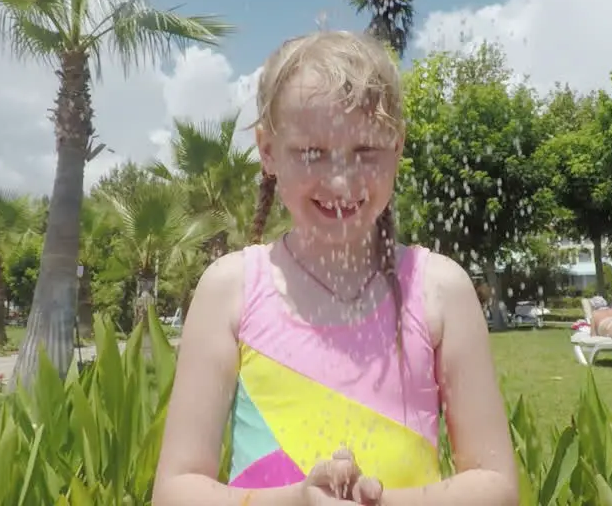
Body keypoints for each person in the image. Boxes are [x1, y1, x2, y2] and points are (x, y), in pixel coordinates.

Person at [153, 31, 518, 506]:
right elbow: (175, 490)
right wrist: (295, 501)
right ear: (268, 152)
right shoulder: (232, 290)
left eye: (366, 151)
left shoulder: (439, 290)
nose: (341, 179)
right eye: (312, 153)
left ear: (397, 147)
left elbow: (495, 485)